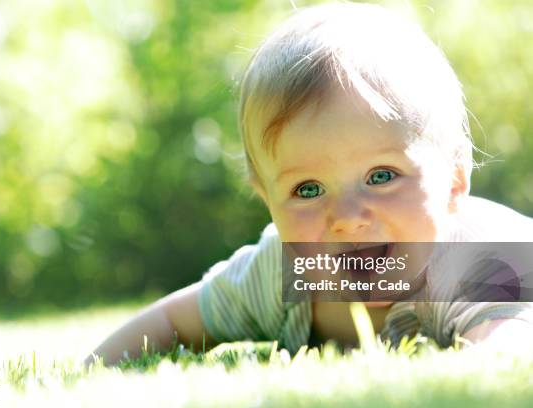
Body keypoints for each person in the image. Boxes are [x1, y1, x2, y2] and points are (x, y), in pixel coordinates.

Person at [84, 2, 533, 367]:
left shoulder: (483, 261)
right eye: (308, 190)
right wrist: (89, 372)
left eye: (381, 177)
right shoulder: (282, 271)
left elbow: (508, 354)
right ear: (268, 200)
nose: (346, 218)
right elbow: (172, 320)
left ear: (454, 184)